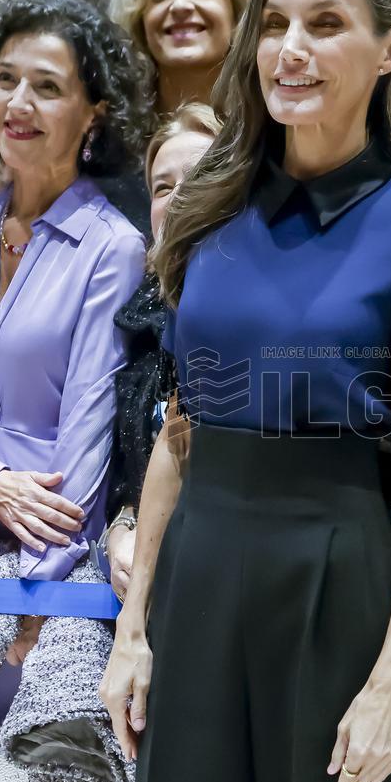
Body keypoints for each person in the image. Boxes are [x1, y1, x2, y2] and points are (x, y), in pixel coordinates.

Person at [101, 0, 391, 782]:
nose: (290, 49)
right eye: (274, 23)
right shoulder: (205, 213)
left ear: (389, 47)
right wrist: (134, 627)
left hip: (337, 588)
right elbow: (178, 436)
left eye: (324, 23)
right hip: (198, 582)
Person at [0, 0, 147, 782]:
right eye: (4, 81)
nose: (18, 104)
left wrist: (44, 596)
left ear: (93, 112)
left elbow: (90, 444)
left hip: (46, 555)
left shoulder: (111, 246)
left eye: (47, 86)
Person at [106, 103, 220, 603]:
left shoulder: (276, 319)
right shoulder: (137, 323)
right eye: (162, 187)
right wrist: (121, 532)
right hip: (144, 598)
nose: (177, 200)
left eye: (198, 178)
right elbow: (126, 476)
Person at [103, 0, 255, 234]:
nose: (181, 5)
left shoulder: (270, 132)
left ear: (238, 10)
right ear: (139, 15)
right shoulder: (106, 145)